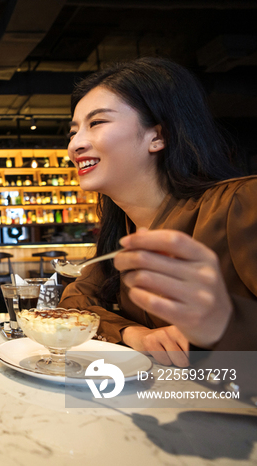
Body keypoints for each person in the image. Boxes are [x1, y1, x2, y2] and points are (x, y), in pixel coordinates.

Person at [59, 57, 257, 367]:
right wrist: (133, 334)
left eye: (96, 123)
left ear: (158, 136)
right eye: (73, 131)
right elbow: (76, 300)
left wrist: (225, 323)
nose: (75, 145)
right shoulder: (124, 230)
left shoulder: (243, 202)